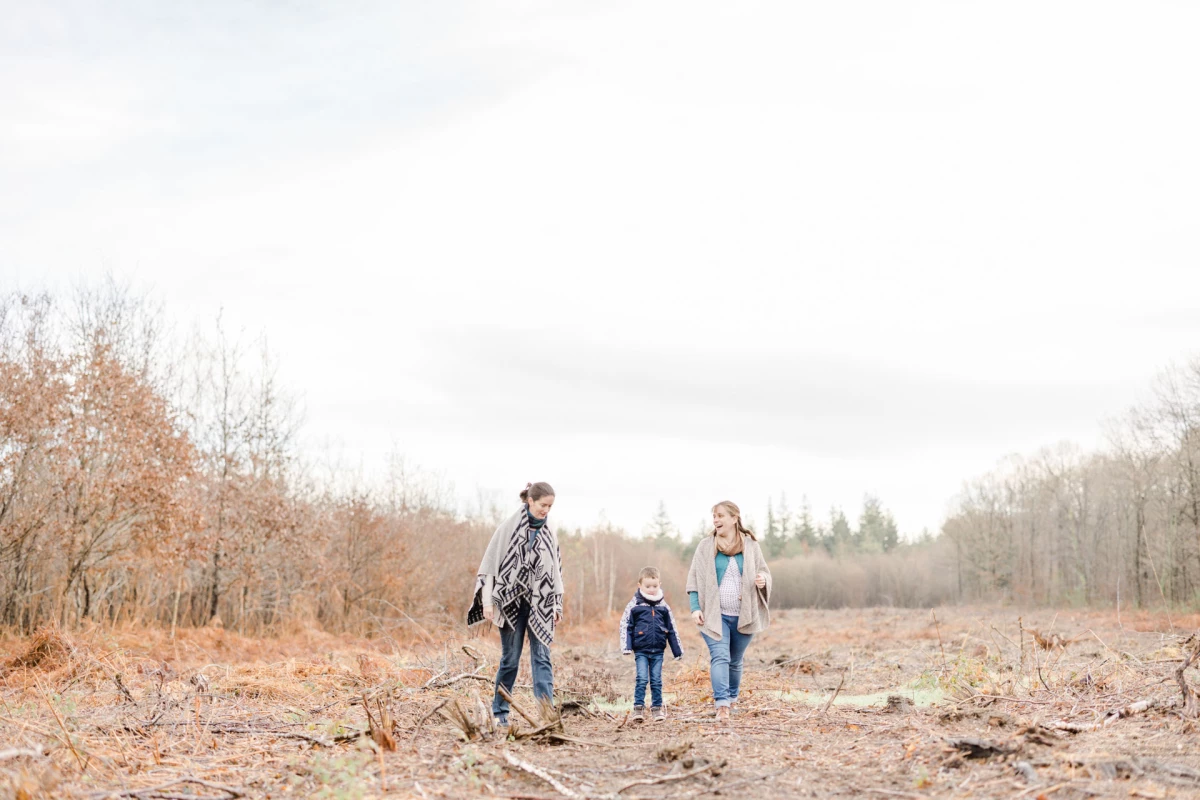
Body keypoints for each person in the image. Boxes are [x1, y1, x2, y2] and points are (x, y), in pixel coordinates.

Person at [467, 482, 563, 727]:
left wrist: (556, 604)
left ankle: (546, 714)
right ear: (530, 501)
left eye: (550, 506)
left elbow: (555, 573)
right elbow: (489, 567)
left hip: (540, 603)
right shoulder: (507, 528)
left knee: (542, 657)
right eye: (543, 505)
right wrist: (488, 602)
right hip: (510, 603)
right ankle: (500, 714)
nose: (546, 511)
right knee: (510, 659)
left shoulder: (549, 531)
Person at [686, 500, 772, 722]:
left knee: (735, 660)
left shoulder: (751, 546)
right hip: (714, 615)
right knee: (720, 656)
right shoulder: (706, 546)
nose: (715, 520)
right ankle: (722, 705)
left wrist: (763, 580)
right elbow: (694, 579)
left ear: (735, 518)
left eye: (720, 515)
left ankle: (733, 699)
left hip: (744, 614)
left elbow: (764, 571)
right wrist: (695, 608)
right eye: (714, 516)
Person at [618, 566, 683, 722]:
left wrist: (677, 651)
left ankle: (657, 709)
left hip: (658, 650)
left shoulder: (664, 607)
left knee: (656, 680)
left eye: (655, 586)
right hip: (641, 650)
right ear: (639, 585)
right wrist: (626, 646)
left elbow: (672, 628)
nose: (651, 589)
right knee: (641, 678)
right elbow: (625, 625)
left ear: (660, 584)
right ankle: (638, 709)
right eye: (648, 586)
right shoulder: (635, 606)